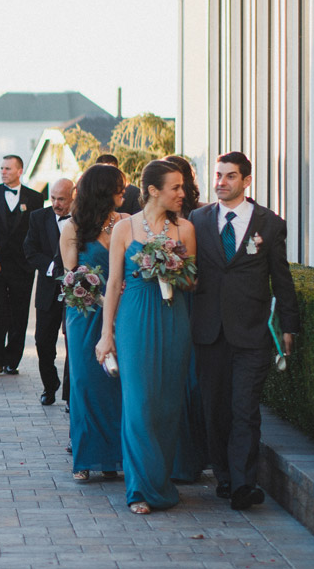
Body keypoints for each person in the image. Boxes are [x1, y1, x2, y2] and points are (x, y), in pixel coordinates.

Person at [190, 151, 300, 510]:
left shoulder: (269, 223)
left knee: (245, 409)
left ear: (246, 181)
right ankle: (224, 475)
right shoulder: (198, 220)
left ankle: (243, 484)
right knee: (215, 409)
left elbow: (282, 279)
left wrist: (288, 325)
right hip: (208, 332)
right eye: (218, 176)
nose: (221, 182)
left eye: (230, 176)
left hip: (252, 333)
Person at [96, 159, 197, 514]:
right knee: (138, 405)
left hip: (173, 318)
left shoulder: (185, 229)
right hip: (135, 319)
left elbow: (192, 282)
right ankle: (139, 490)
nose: (182, 194)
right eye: (175, 188)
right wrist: (105, 335)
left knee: (167, 405)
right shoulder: (124, 229)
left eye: (182, 187)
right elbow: (112, 284)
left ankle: (160, 482)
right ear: (153, 191)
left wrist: (173, 266)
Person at [59, 164, 126, 482]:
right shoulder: (72, 227)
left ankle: (113, 457)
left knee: (115, 384)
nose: (124, 194)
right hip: (84, 313)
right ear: (104, 192)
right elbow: (71, 276)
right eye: (119, 188)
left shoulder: (126, 223)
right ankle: (85, 458)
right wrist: (98, 290)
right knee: (85, 383)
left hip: (122, 310)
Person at [164, 153, 210, 483]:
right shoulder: (148, 219)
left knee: (195, 379)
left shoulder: (202, 216)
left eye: (179, 183)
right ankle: (173, 458)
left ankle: (195, 456)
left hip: (197, 301)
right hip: (164, 304)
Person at [0, 155, 43, 376]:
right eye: (2, 168)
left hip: (22, 266)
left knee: (19, 312)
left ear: (20, 171)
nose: (3, 172)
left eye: (8, 168)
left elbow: (36, 232)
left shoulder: (35, 198)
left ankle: (13, 360)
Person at [24, 178, 74, 406]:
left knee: (73, 342)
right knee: (43, 343)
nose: (55, 203)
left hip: (77, 291)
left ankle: (72, 393)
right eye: (52, 198)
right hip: (47, 290)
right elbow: (29, 249)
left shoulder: (82, 219)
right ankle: (50, 384)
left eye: (61, 199)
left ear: (73, 197)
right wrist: (52, 268)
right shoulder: (38, 217)